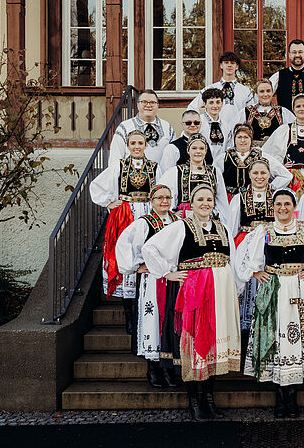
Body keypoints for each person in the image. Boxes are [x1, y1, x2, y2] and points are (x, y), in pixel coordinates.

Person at [142, 184, 241, 421]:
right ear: (192, 203)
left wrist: (235, 289)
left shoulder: (223, 228)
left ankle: (208, 398)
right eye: (200, 200)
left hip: (220, 293)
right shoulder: (181, 226)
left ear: (214, 203)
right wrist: (166, 273)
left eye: (209, 200)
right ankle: (194, 400)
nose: (205, 204)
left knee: (215, 345)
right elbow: (150, 247)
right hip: (194, 294)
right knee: (194, 343)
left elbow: (234, 261)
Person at [234, 189, 304, 418]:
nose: (282, 208)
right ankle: (279, 394)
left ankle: (292, 394)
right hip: (274, 288)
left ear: (294, 206)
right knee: (276, 338)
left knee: (295, 339)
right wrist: (254, 272)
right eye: (278, 204)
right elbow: (243, 255)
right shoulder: (264, 231)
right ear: (273, 207)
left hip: (299, 288)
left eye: (287, 204)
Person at [90, 130, 158, 336]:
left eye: (140, 143)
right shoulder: (119, 166)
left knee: (146, 257)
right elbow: (96, 185)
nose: (137, 146)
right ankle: (129, 316)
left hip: (147, 214)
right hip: (125, 215)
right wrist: (109, 203)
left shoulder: (154, 167)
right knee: (126, 259)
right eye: (133, 143)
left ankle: (145, 312)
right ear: (127, 146)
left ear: (145, 145)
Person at [115, 184, 180, 388]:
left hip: (173, 279)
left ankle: (168, 367)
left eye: (168, 197)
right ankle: (153, 368)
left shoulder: (178, 222)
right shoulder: (144, 223)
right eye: (160, 197)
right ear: (151, 201)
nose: (164, 201)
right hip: (152, 280)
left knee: (170, 320)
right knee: (153, 319)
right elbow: (124, 243)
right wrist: (135, 266)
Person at [226, 159, 276, 334]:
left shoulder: (277, 197)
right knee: (246, 286)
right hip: (245, 245)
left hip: (269, 246)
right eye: (255, 173)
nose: (259, 176)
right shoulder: (239, 198)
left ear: (269, 174)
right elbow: (232, 229)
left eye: (263, 173)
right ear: (249, 175)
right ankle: (245, 331)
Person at [157, 134, 228, 215]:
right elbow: (162, 193)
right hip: (185, 218)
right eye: (194, 148)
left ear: (206, 151)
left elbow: (222, 201)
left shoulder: (214, 172)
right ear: (188, 150)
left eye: (201, 148)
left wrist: (217, 215)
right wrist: (172, 214)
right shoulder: (176, 171)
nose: (198, 151)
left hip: (207, 217)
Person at [214, 124, 291, 199]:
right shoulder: (223, 158)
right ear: (234, 139)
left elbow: (286, 175)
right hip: (229, 200)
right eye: (239, 137)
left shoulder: (261, 156)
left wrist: (269, 188)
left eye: (246, 137)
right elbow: (214, 178)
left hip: (254, 199)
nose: (243, 140)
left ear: (251, 139)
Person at [110, 89, 176, 165]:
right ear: (138, 104)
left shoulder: (167, 128)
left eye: (152, 102)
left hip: (162, 172)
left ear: (158, 105)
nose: (148, 105)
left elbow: (174, 155)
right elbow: (115, 157)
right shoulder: (125, 127)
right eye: (144, 102)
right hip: (132, 172)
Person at [188, 51, 254, 112]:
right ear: (221, 65)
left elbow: (252, 114)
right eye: (226, 62)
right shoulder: (209, 89)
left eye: (232, 63)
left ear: (237, 66)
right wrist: (202, 119)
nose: (229, 65)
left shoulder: (245, 91)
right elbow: (192, 108)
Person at [238, 78, 294, 146]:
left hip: (274, 151)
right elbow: (235, 132)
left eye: (268, 91)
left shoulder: (283, 112)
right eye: (262, 91)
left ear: (272, 93)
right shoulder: (246, 112)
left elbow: (293, 130)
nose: (265, 94)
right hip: (252, 151)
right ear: (257, 94)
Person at [159, 109, 213, 174]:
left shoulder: (205, 145)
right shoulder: (172, 148)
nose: (193, 125)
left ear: (200, 124)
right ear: (182, 125)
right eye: (188, 123)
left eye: (196, 123)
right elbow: (166, 173)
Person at [198, 87, 237, 163]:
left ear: (222, 103)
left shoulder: (226, 126)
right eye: (211, 103)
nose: (215, 106)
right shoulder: (198, 122)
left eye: (218, 102)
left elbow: (228, 148)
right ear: (204, 104)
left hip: (220, 165)